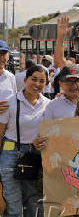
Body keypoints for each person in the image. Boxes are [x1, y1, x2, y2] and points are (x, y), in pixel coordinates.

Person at [0, 65, 50, 217]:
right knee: (14, 204)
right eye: (33, 79)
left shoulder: (48, 104)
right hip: (10, 152)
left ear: (46, 84)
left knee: (34, 202)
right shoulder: (9, 102)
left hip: (35, 155)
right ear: (25, 79)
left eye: (42, 81)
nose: (37, 84)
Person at [0, 40, 16, 114]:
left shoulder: (11, 77)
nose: (1, 57)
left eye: (4, 54)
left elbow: (14, 101)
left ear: (8, 56)